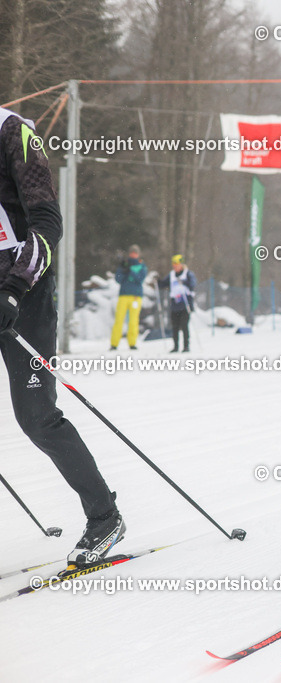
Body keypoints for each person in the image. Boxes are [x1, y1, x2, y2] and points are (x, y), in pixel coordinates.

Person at [0, 106, 124, 566]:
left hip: (22, 287)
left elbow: (48, 224)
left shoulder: (13, 132)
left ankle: (104, 517)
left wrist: (13, 289)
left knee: (36, 417)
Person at [110, 244, 147, 350]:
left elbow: (140, 279)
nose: (133, 255)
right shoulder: (124, 264)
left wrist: (131, 270)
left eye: (135, 253)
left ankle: (132, 343)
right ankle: (114, 343)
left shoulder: (141, 265)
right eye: (131, 253)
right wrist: (124, 271)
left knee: (133, 321)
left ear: (138, 254)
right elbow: (118, 279)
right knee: (119, 319)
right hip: (124, 295)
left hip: (136, 296)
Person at [157, 254, 196, 352]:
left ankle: (186, 346)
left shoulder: (188, 274)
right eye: (174, 265)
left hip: (185, 304)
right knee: (175, 327)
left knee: (184, 325)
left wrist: (184, 282)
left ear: (181, 264)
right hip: (175, 304)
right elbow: (163, 284)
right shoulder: (171, 275)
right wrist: (157, 281)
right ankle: (175, 346)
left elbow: (193, 284)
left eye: (177, 264)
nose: (175, 267)